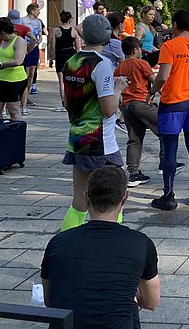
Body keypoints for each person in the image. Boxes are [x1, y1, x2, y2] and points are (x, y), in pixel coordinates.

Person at [41, 165, 160, 328]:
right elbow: (151, 302)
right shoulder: (141, 243)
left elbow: (50, 301)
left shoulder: (58, 242)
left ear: (86, 198)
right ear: (125, 198)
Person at [60, 14, 128, 232]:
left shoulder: (72, 61)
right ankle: (111, 244)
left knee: (79, 202)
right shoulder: (102, 65)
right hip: (101, 142)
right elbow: (109, 111)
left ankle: (66, 243)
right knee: (115, 201)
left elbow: (67, 100)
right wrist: (118, 88)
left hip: (77, 138)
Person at [147, 10, 189, 211]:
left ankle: (168, 196)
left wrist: (151, 92)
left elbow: (163, 76)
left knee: (170, 151)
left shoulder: (169, 46)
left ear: (175, 25)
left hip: (171, 105)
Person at [115, 37, 165, 187]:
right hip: (140, 102)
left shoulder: (119, 68)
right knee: (166, 130)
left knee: (134, 139)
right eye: (139, 49)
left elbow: (115, 87)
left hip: (126, 105)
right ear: (135, 50)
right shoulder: (142, 63)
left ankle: (134, 173)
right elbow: (155, 81)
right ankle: (166, 163)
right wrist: (165, 96)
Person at [0, 18, 29, 122]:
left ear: (3, 33)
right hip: (1, 78)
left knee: (12, 108)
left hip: (15, 80)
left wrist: (1, 64)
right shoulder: (3, 41)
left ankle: (16, 133)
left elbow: (18, 61)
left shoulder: (19, 41)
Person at [47, 10, 80, 112]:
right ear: (70, 19)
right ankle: (73, 101)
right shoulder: (73, 31)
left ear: (60, 19)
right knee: (71, 80)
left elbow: (52, 47)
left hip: (61, 55)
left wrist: (51, 58)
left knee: (62, 81)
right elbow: (78, 47)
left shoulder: (55, 31)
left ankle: (63, 104)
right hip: (71, 55)